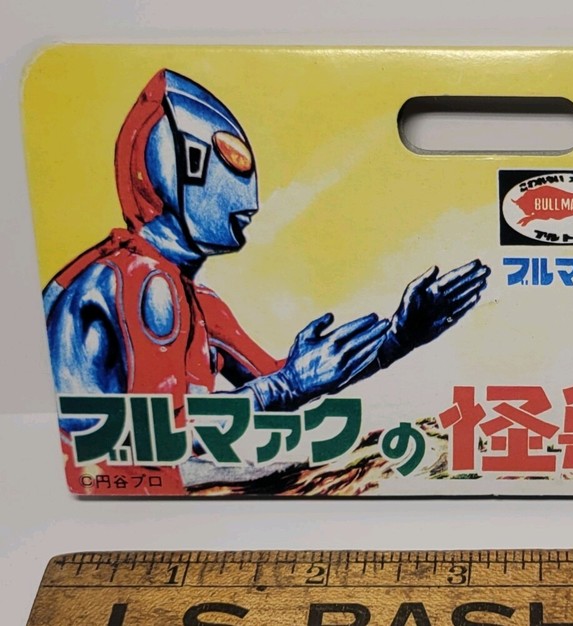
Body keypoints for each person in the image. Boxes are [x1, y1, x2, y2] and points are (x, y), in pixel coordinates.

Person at [45, 68, 489, 428]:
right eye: (233, 165)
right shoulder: (143, 281)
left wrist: (398, 337)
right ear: (188, 165)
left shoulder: (189, 299)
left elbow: (279, 380)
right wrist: (287, 386)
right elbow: (163, 430)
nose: (251, 203)